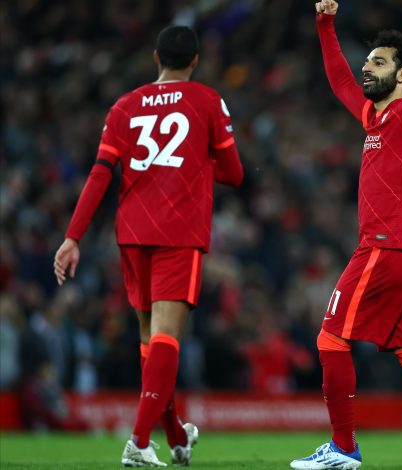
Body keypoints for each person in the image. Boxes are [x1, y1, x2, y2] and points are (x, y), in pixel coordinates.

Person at [53, 25, 243, 467]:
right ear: (195, 61)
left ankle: (175, 436)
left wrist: (73, 236)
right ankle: (138, 441)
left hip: (132, 232)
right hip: (178, 231)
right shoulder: (207, 100)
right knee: (166, 337)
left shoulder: (124, 105)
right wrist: (196, 163)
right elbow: (235, 173)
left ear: (156, 58)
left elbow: (101, 173)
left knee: (150, 340)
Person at [290, 2, 402, 470]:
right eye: (367, 61)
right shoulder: (372, 117)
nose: (366, 68)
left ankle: (343, 447)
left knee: (330, 339)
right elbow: (339, 80)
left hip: (387, 244)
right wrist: (325, 25)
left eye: (378, 62)